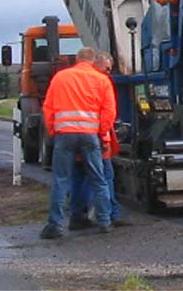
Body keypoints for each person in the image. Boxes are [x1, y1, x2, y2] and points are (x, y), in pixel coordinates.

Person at [39, 47, 116, 239]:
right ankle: (105, 221)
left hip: (65, 135)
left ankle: (55, 225)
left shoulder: (60, 77)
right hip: (90, 135)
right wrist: (101, 134)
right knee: (99, 179)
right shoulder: (102, 80)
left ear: (76, 59)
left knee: (61, 180)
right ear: (92, 61)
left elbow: (48, 108)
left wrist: (53, 131)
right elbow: (109, 112)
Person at [69, 52, 129, 228]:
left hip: (73, 136)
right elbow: (108, 113)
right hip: (95, 139)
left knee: (78, 178)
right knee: (104, 178)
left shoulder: (72, 81)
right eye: (108, 68)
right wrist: (103, 137)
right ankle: (108, 216)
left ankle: (77, 216)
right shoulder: (101, 82)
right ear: (96, 64)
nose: (109, 73)